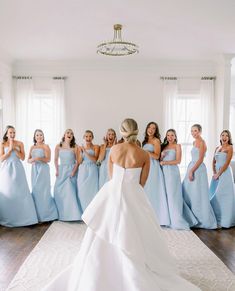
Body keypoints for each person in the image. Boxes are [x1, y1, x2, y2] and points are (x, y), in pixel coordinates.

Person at [42, 118, 200, 291]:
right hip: (134, 193)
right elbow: (142, 182)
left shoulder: (115, 149)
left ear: (122, 132)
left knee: (104, 227)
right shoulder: (143, 154)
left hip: (113, 193)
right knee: (136, 230)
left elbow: (111, 176)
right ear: (137, 131)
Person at [0, 125, 38, 227]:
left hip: (18, 168)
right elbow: (1, 158)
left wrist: (15, 149)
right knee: (9, 191)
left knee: (21, 191)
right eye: (10, 133)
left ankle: (25, 218)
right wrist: (9, 149)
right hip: (6, 170)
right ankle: (9, 218)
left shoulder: (20, 143)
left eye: (14, 132)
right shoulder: (3, 144)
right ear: (6, 134)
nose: (12, 134)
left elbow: (23, 157)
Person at [160, 129, 197, 229]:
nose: (170, 137)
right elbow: (160, 161)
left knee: (173, 195)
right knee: (166, 195)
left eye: (172, 135)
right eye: (168, 135)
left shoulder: (177, 146)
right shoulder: (164, 146)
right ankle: (167, 219)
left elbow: (178, 161)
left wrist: (165, 163)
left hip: (172, 173)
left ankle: (176, 220)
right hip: (164, 172)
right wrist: (161, 157)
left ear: (175, 136)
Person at [182, 124, 217, 229]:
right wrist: (190, 169)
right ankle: (191, 217)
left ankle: (202, 219)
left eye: (195, 131)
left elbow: (200, 159)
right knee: (188, 191)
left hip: (198, 169)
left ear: (200, 132)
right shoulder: (194, 142)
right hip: (191, 167)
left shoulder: (202, 143)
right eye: (192, 131)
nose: (193, 133)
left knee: (198, 193)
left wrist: (192, 171)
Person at [142, 121, 170, 226]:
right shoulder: (144, 141)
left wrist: (145, 152)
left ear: (155, 131)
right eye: (149, 127)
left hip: (153, 167)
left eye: (153, 128)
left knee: (153, 190)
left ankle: (157, 218)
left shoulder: (156, 140)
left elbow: (157, 156)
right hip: (145, 166)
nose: (151, 130)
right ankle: (146, 217)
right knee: (146, 191)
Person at [28, 129, 58, 222]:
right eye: (37, 135)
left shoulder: (46, 146)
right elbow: (28, 160)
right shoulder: (32, 147)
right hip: (34, 169)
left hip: (43, 169)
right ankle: (37, 215)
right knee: (35, 190)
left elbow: (48, 159)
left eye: (41, 135)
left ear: (43, 136)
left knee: (43, 191)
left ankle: (47, 215)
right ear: (35, 137)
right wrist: (32, 160)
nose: (39, 137)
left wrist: (38, 158)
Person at [54, 129, 82, 221]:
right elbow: (55, 159)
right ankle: (61, 214)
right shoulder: (58, 146)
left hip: (71, 170)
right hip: (62, 169)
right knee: (58, 191)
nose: (69, 134)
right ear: (64, 134)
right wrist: (57, 170)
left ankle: (72, 215)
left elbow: (78, 161)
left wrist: (74, 171)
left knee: (69, 192)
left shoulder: (75, 147)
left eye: (71, 133)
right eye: (68, 133)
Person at [209, 130, 235, 228]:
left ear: (229, 138)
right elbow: (213, 161)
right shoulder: (217, 147)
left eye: (226, 136)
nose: (224, 137)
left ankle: (226, 221)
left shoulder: (230, 148)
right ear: (220, 137)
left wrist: (219, 173)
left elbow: (227, 163)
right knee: (214, 195)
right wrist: (214, 173)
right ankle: (216, 219)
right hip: (216, 175)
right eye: (222, 135)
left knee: (223, 195)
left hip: (225, 174)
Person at [77, 130, 99, 211]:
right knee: (82, 190)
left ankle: (92, 212)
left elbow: (95, 160)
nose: (88, 138)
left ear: (92, 137)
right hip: (83, 169)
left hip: (92, 169)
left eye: (90, 136)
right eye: (86, 136)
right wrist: (80, 151)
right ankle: (83, 211)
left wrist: (85, 151)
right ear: (83, 137)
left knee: (92, 190)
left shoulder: (96, 147)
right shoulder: (80, 148)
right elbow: (79, 162)